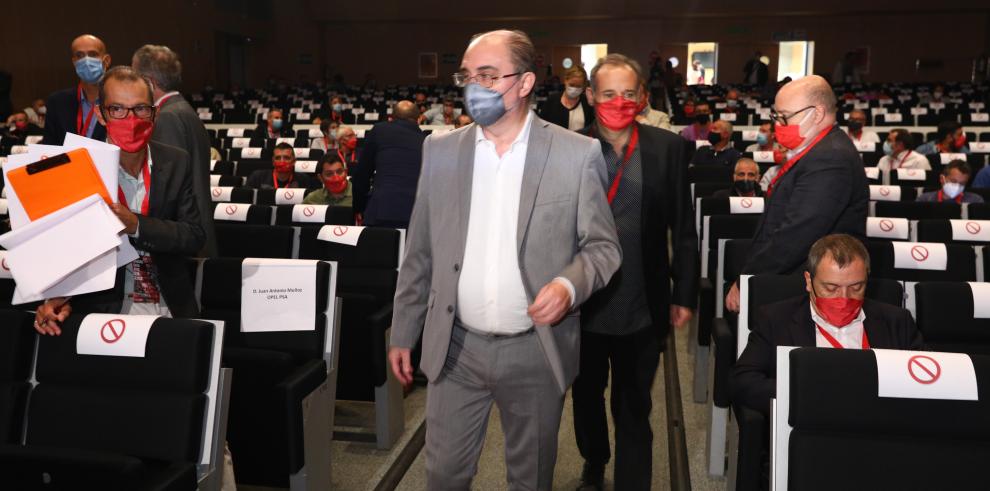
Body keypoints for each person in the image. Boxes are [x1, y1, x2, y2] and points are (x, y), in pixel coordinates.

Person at [387, 29, 621, 490]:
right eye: (468, 76)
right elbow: (420, 251)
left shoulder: (576, 154)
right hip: (456, 346)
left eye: (489, 76)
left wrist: (568, 286)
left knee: (530, 478)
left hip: (534, 348)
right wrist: (403, 331)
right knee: (443, 475)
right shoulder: (439, 150)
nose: (475, 87)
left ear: (526, 83)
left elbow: (603, 247)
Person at [573, 53, 698, 491]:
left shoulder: (667, 149)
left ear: (643, 98)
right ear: (590, 96)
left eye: (629, 94)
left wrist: (684, 293)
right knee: (587, 395)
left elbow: (683, 227)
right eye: (608, 94)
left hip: (642, 300)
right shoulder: (569, 149)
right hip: (584, 302)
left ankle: (633, 481)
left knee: (634, 403)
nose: (619, 102)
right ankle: (594, 460)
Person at [33, 66, 205, 327]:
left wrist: (136, 225)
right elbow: (66, 252)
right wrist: (62, 298)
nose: (131, 118)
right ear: (101, 114)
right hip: (105, 310)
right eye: (117, 109)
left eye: (140, 109)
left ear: (154, 114)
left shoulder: (175, 161)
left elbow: (194, 236)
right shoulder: (77, 169)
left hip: (170, 306)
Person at [731, 234, 924, 417]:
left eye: (857, 287)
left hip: (879, 427)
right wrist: (807, 394)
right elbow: (744, 381)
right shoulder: (776, 319)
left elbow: (926, 382)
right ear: (808, 281)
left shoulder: (897, 322)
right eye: (831, 288)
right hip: (810, 427)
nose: (843, 298)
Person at [725, 75, 869, 313]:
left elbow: (797, 234)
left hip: (799, 290)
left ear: (818, 114)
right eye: (776, 116)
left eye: (784, 117)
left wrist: (747, 280)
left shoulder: (830, 158)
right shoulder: (821, 150)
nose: (778, 125)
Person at [132, 44, 217, 259]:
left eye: (134, 78)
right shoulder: (183, 109)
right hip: (196, 226)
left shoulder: (167, 117)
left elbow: (168, 192)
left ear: (149, 82)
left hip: (183, 238)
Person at [351, 100, 426, 228]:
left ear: (391, 118)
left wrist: (359, 207)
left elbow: (362, 174)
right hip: (415, 213)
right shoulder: (426, 140)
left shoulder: (379, 130)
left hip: (381, 208)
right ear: (418, 119)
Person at [41, 34, 111, 145]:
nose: (86, 61)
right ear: (74, 62)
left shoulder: (119, 102)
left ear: (106, 60)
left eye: (93, 54)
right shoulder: (57, 102)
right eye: (80, 55)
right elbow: (49, 146)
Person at [539, 65, 594, 131]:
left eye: (578, 86)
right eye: (571, 85)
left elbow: (593, 128)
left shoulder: (586, 102)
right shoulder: (552, 100)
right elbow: (541, 125)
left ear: (584, 85)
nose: (574, 89)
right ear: (565, 81)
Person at [245, 142, 318, 189]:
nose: (282, 162)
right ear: (273, 162)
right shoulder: (257, 177)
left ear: (294, 161)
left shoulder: (304, 180)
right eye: (278, 158)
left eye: (286, 158)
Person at [917, 160, 984, 204]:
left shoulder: (975, 201)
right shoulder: (925, 200)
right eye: (953, 181)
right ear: (942, 179)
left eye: (962, 183)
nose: (957, 186)